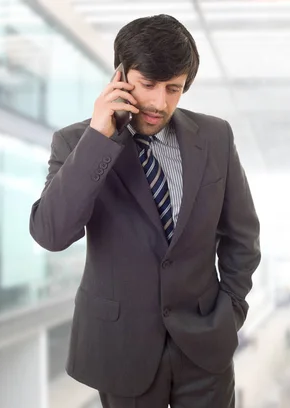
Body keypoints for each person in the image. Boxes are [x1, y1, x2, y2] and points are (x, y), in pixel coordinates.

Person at [29, 14, 261, 408]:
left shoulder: (216, 137)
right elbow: (51, 234)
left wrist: (231, 311)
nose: (159, 102)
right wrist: (99, 137)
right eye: (148, 85)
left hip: (204, 346)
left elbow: (242, 236)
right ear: (119, 76)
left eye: (174, 88)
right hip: (122, 348)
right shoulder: (74, 143)